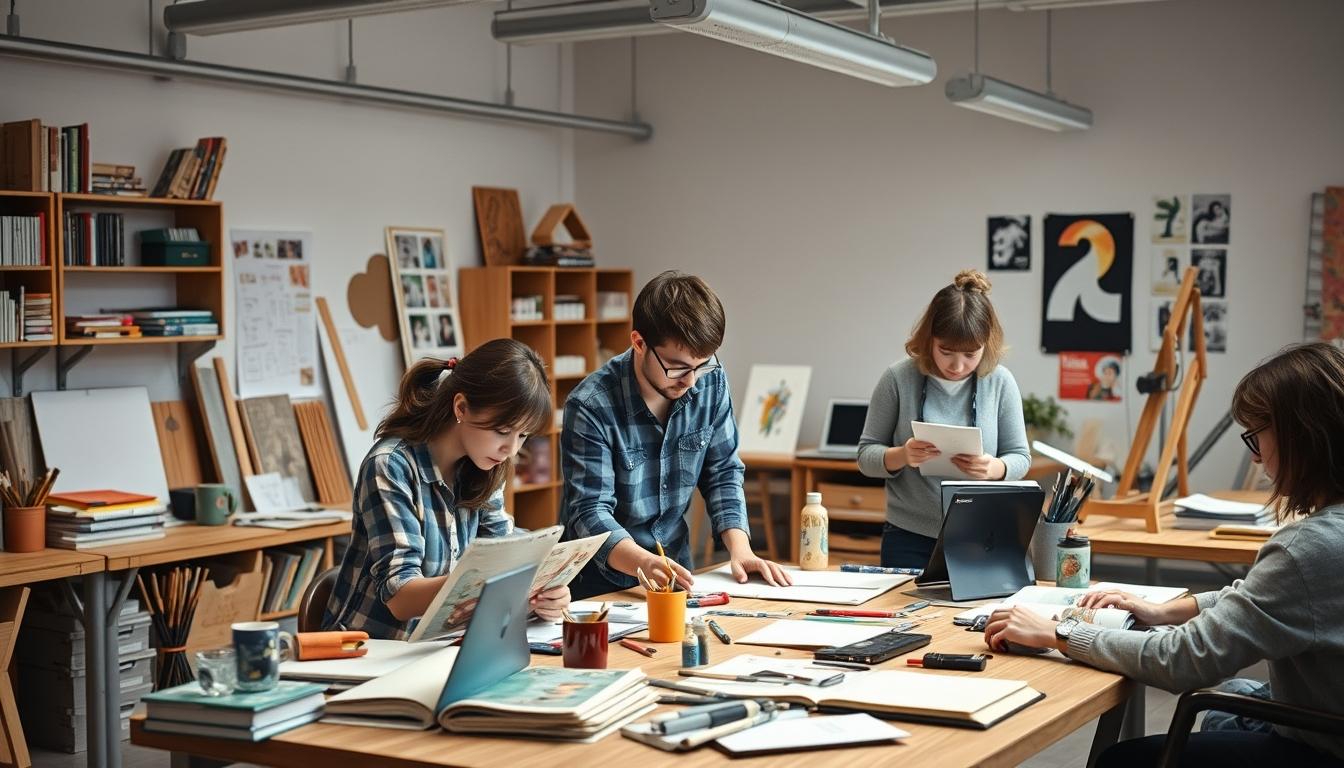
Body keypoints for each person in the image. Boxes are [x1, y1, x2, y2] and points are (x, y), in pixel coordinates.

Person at [983, 342, 1344, 766]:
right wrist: (1167, 610)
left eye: (1257, 435)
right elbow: (1263, 597)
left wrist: (1058, 633)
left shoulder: (1309, 548)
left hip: (1321, 743)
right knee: (1228, 703)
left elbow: (1182, 661)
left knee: (1123, 760)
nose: (1255, 453)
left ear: (1300, 437)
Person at [561, 270, 790, 599]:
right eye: (678, 367)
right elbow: (590, 511)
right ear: (639, 343)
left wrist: (742, 552)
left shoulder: (710, 380)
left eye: (702, 365)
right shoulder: (591, 405)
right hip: (602, 583)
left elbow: (722, 470)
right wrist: (645, 562)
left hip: (677, 570)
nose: (692, 381)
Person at [325, 338, 571, 639]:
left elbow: (503, 549)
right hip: (367, 651)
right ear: (462, 407)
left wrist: (544, 594)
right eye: (503, 431)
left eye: (523, 436)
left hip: (441, 646)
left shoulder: (487, 464)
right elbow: (400, 597)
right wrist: (488, 581)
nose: (511, 448)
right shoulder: (390, 465)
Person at [857, 269, 1031, 569]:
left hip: (981, 535)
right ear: (929, 339)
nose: (958, 365)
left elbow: (1021, 457)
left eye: (970, 354)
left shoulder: (1000, 382)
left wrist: (996, 468)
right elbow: (865, 456)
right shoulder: (898, 378)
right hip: (908, 536)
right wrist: (902, 455)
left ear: (986, 344)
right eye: (946, 351)